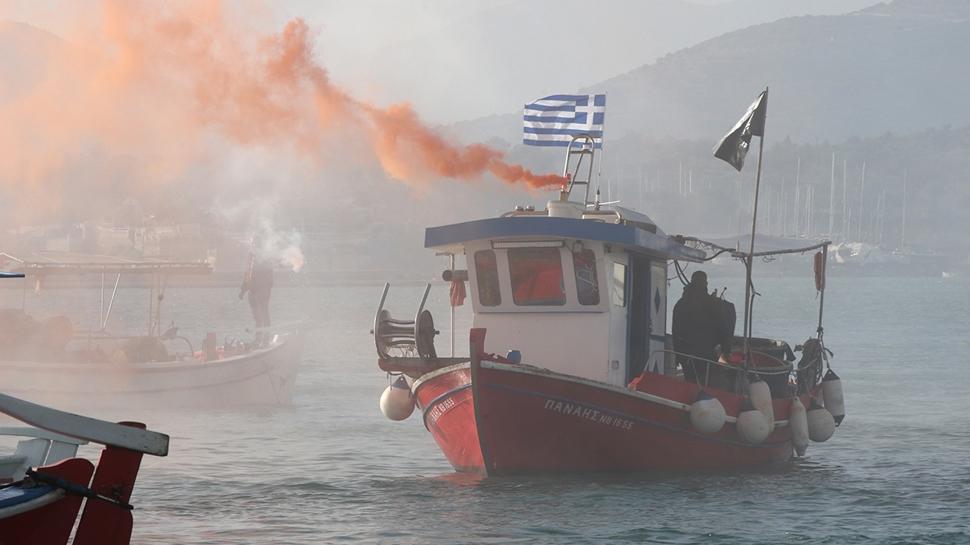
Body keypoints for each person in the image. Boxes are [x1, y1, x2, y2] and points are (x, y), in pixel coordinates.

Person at [671, 271, 734, 389]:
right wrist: (726, 350)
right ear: (705, 283)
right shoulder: (712, 303)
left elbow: (675, 331)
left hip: (685, 354)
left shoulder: (680, 304)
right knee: (708, 384)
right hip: (706, 354)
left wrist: (677, 355)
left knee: (690, 383)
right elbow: (724, 328)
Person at [239, 237, 275, 344]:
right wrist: (243, 290)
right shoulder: (251, 256)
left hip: (262, 290)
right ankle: (258, 338)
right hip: (253, 290)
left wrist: (265, 289)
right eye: (253, 243)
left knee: (263, 313)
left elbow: (269, 276)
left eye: (255, 243)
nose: (253, 245)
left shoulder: (265, 257)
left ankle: (265, 339)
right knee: (257, 316)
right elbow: (247, 274)